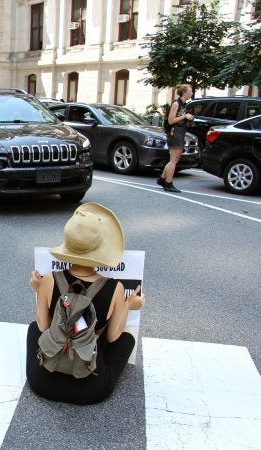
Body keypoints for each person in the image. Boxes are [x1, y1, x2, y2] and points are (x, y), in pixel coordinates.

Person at [26, 203, 145, 405]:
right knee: (125, 340)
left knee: (33, 328)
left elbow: (43, 326)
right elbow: (114, 336)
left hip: (43, 383)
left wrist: (39, 290)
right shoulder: (114, 288)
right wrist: (128, 305)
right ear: (101, 248)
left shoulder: (49, 280)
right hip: (89, 391)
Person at [157, 84, 194, 193]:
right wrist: (185, 116)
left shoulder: (183, 104)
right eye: (190, 91)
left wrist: (187, 118)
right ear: (184, 92)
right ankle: (168, 183)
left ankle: (162, 179)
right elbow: (171, 121)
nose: (191, 93)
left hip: (180, 132)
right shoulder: (176, 104)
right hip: (175, 133)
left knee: (175, 159)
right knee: (173, 160)